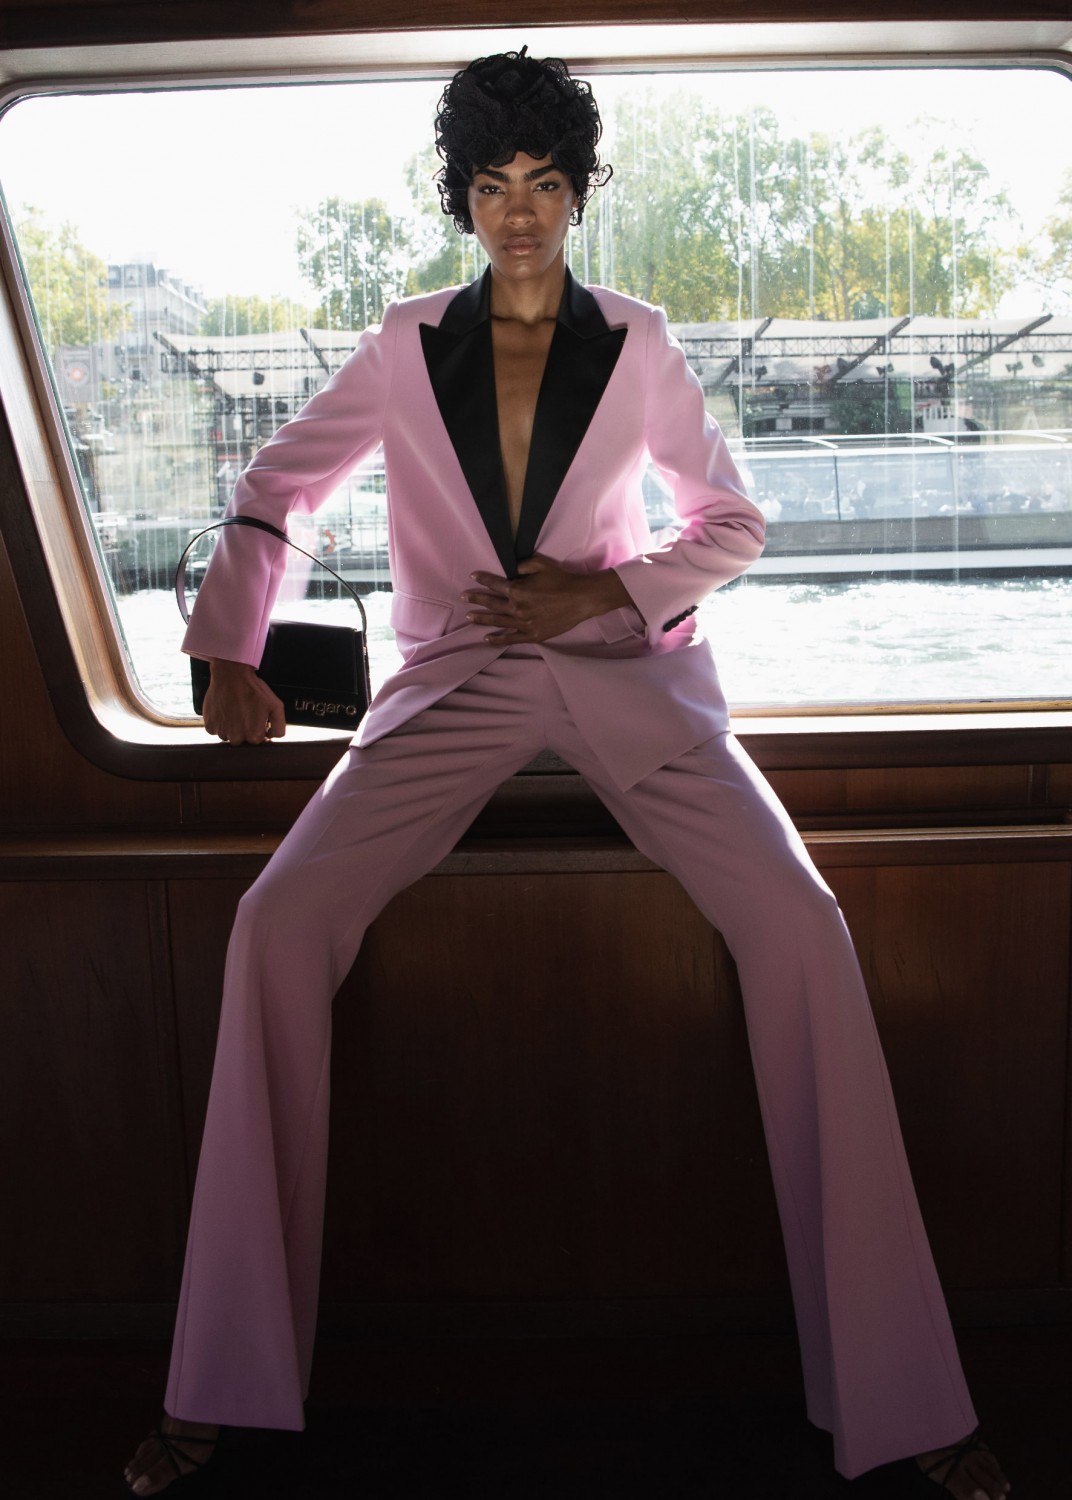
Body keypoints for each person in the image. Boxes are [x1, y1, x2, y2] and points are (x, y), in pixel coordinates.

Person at [125, 50, 1009, 1500]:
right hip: (452, 683)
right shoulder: (403, 344)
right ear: (461, 199)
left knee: (806, 926)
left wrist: (603, 594)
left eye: (544, 184)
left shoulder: (640, 340)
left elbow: (733, 522)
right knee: (271, 926)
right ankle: (217, 1384)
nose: (519, 214)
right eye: (493, 186)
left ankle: (906, 1402)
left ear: (578, 195)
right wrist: (225, 650)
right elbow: (277, 485)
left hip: (628, 675)